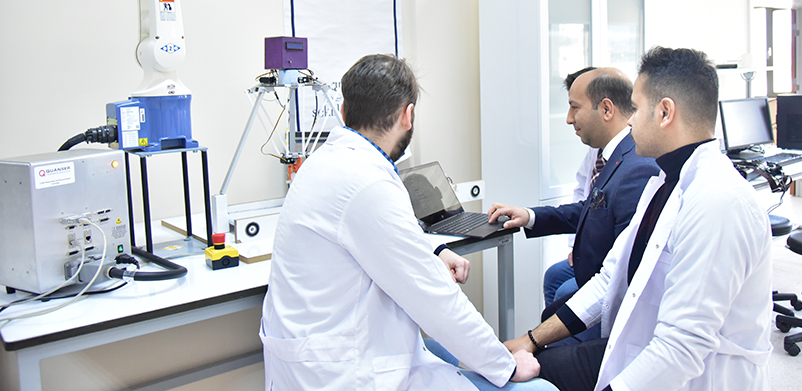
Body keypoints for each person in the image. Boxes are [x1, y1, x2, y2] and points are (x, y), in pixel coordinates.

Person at [260, 54, 557, 391]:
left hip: (317, 358)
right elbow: (436, 301)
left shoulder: (324, 164)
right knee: (540, 389)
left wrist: (437, 250)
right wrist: (506, 365)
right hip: (346, 374)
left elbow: (383, 234)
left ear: (343, 111)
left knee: (444, 352)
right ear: (408, 115)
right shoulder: (368, 183)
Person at [505, 47, 774, 391]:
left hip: (698, 377)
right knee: (533, 367)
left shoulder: (718, 202)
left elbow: (681, 349)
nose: (629, 120)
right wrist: (531, 340)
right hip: (639, 345)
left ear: (664, 113)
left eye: (636, 108)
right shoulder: (664, 183)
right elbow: (608, 280)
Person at [488, 67, 659, 322]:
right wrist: (530, 216)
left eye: (574, 107)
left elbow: (620, 274)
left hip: (612, 295)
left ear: (606, 109)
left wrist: (537, 337)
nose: (569, 119)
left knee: (553, 315)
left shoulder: (636, 167)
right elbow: (590, 208)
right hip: (596, 270)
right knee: (554, 286)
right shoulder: (616, 154)